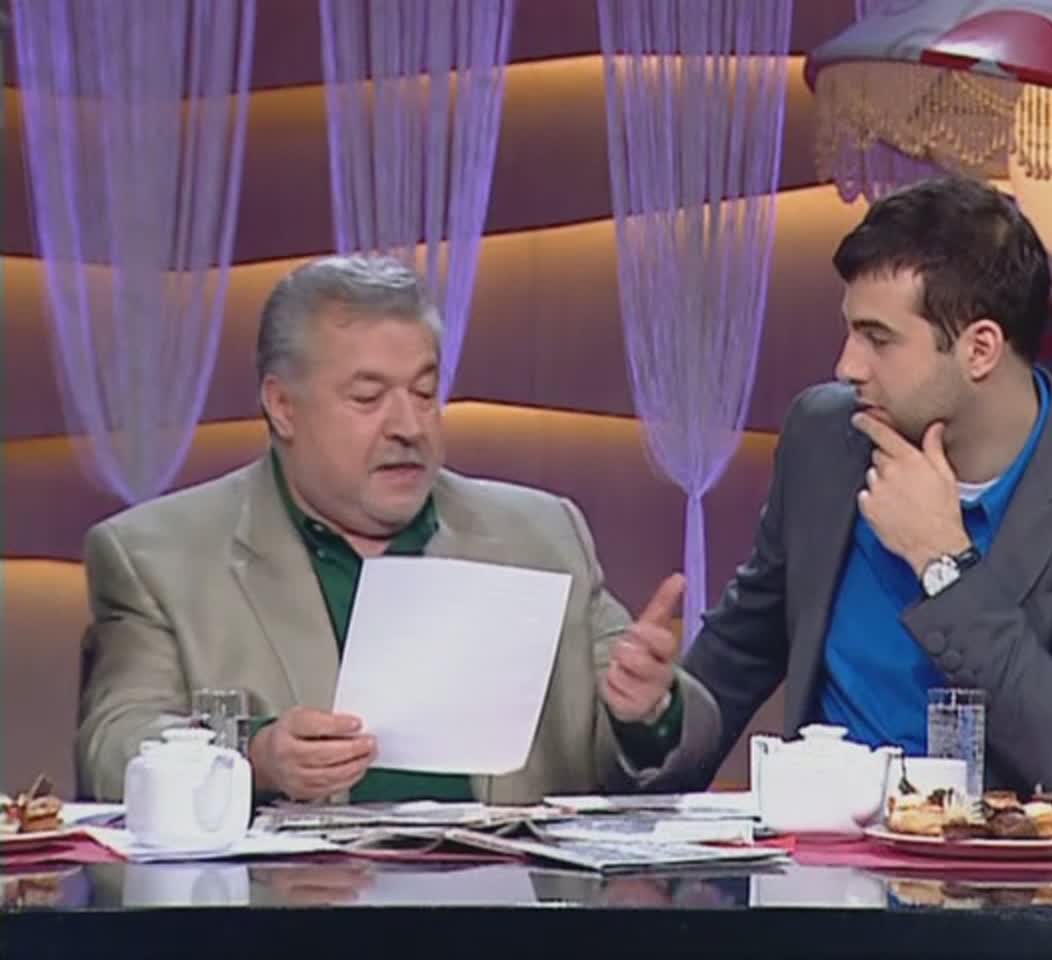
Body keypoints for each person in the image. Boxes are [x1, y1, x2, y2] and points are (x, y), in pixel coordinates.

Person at [609, 175, 1052, 801]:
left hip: (1004, 859)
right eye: (851, 331)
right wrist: (659, 716)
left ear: (980, 349)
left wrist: (942, 562)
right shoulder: (825, 439)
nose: (848, 366)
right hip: (821, 854)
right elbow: (734, 665)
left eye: (879, 339)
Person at [77, 255, 719, 803]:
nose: (408, 426)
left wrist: (651, 714)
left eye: (423, 392)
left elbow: (686, 743)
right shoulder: (157, 557)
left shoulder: (542, 535)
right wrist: (252, 761)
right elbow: (112, 747)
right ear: (282, 406)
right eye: (368, 397)